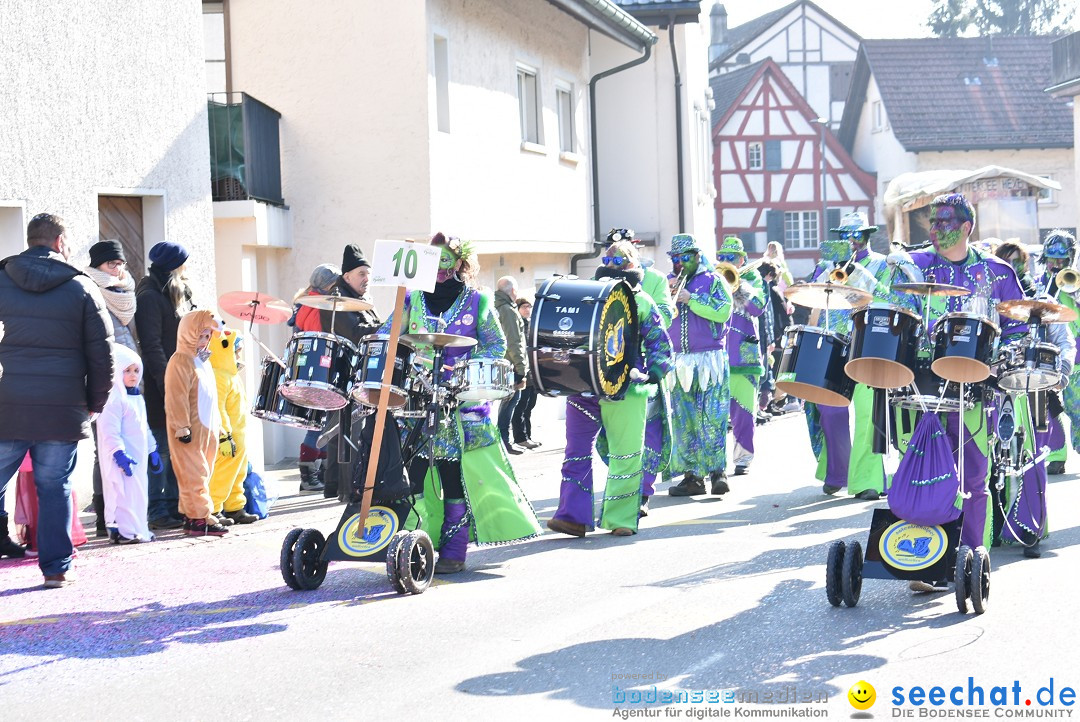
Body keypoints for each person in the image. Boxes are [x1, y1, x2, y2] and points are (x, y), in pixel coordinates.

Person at [385, 232, 540, 572]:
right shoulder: (412, 298)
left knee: (454, 476)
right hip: (416, 401)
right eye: (433, 259)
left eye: (446, 260)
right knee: (417, 473)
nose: (439, 268)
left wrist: (463, 371)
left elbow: (495, 346)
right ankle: (419, 548)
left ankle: (454, 552)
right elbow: (389, 335)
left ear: (459, 263)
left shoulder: (478, 300)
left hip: (461, 404)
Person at [899, 193, 1029, 578]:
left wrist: (1005, 354)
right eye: (933, 224)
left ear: (967, 227)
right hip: (923, 389)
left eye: (945, 223)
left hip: (976, 388)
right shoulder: (917, 266)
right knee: (922, 470)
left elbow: (1018, 325)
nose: (936, 231)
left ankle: (972, 562)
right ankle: (923, 561)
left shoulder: (998, 273)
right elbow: (892, 308)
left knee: (974, 476)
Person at [0, 213, 114, 585]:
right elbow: (102, 352)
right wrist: (96, 402)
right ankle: (55, 570)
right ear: (60, 242)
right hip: (61, 408)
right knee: (54, 489)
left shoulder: (2, 279)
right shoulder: (80, 288)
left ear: (31, 239)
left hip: (7, 404)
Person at [547, 241, 674, 537]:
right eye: (609, 259)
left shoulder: (642, 301)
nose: (614, 265)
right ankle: (573, 517)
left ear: (633, 265)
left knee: (625, 454)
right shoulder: (587, 297)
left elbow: (659, 344)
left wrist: (653, 373)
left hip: (626, 386)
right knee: (577, 452)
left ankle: (620, 519)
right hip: (585, 386)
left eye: (620, 261)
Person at [805, 212, 892, 500]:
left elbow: (888, 298)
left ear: (867, 236)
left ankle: (866, 480)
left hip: (868, 345)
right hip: (835, 343)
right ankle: (837, 472)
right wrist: (827, 271)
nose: (851, 241)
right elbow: (811, 296)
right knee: (830, 412)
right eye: (845, 236)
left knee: (868, 414)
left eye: (856, 235)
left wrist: (860, 275)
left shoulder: (880, 264)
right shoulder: (828, 266)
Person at [666, 234, 734, 497]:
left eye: (685, 258)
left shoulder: (714, 280)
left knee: (712, 417)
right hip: (679, 359)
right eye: (676, 258)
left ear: (696, 256)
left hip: (709, 359)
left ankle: (718, 473)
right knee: (684, 419)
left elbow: (722, 312)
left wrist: (690, 299)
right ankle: (692, 476)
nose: (680, 263)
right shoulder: (669, 283)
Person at [135, 241, 195, 531]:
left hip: (179, 379)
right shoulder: (150, 295)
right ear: (174, 265)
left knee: (178, 447)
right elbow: (151, 344)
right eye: (183, 263)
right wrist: (164, 380)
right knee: (160, 449)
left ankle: (174, 505)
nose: (186, 268)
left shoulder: (175, 292)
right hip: (162, 385)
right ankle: (157, 509)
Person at [84, 239, 140, 537]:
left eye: (120, 263)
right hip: (103, 379)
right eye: (110, 264)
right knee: (104, 449)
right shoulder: (90, 289)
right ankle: (105, 512)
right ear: (98, 266)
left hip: (129, 378)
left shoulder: (126, 291)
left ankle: (125, 512)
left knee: (129, 446)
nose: (117, 269)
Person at [319, 245, 383, 501]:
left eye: (369, 273)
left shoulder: (358, 300)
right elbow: (356, 333)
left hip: (354, 373)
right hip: (346, 374)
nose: (367, 279)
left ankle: (334, 485)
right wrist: (390, 324)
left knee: (340, 431)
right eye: (361, 274)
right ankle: (350, 489)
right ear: (346, 276)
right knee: (349, 431)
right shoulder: (338, 301)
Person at [165, 309, 228, 537]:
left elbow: (210, 395)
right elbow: (176, 396)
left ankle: (194, 516)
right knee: (195, 473)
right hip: (189, 429)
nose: (204, 341)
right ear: (188, 334)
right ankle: (201, 516)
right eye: (200, 336)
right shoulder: (180, 361)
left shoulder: (203, 361)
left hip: (206, 427)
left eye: (207, 336)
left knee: (205, 471)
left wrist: (218, 424)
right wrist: (181, 426)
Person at [97, 343, 160, 544]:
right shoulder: (114, 399)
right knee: (120, 493)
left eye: (136, 370)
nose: (133, 375)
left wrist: (152, 450)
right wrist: (118, 453)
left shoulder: (137, 398)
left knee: (138, 495)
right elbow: (109, 430)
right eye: (126, 371)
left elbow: (144, 427)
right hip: (122, 459)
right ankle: (122, 531)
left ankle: (138, 528)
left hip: (138, 458)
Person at [716, 237, 765, 475]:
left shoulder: (754, 280)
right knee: (714, 415)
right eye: (722, 258)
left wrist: (739, 286)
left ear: (742, 260)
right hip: (716, 356)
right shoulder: (713, 281)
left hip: (744, 358)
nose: (726, 262)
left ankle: (743, 459)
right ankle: (714, 465)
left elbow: (759, 308)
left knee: (744, 414)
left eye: (731, 258)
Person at [290, 263, 340, 494]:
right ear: (327, 285)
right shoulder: (315, 306)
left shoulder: (304, 302)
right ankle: (309, 476)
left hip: (307, 371)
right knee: (318, 425)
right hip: (319, 370)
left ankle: (317, 473)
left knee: (320, 422)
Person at [1034, 230, 1080, 475]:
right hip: (1047, 353)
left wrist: (1075, 292)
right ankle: (1057, 455)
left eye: (1061, 260)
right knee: (1050, 408)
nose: (1055, 264)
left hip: (1077, 357)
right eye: (1051, 259)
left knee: (1077, 407)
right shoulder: (1039, 281)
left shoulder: (1077, 281)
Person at [208, 328, 258, 524]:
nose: (239, 355)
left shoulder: (230, 375)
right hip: (228, 437)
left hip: (238, 436)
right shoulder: (219, 375)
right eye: (237, 350)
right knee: (222, 474)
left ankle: (234, 506)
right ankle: (214, 508)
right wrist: (225, 436)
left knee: (238, 473)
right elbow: (218, 409)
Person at [494, 276, 528, 454]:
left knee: (507, 403)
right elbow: (514, 341)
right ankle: (504, 442)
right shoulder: (507, 310)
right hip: (511, 366)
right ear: (513, 291)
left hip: (504, 364)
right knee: (510, 402)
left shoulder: (498, 307)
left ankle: (503, 441)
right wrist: (521, 369)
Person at [511, 297, 540, 449]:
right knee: (520, 406)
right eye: (524, 307)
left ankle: (527, 436)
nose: (527, 310)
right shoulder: (516, 325)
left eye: (529, 306)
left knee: (529, 406)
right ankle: (520, 438)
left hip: (532, 372)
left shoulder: (531, 325)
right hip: (521, 370)